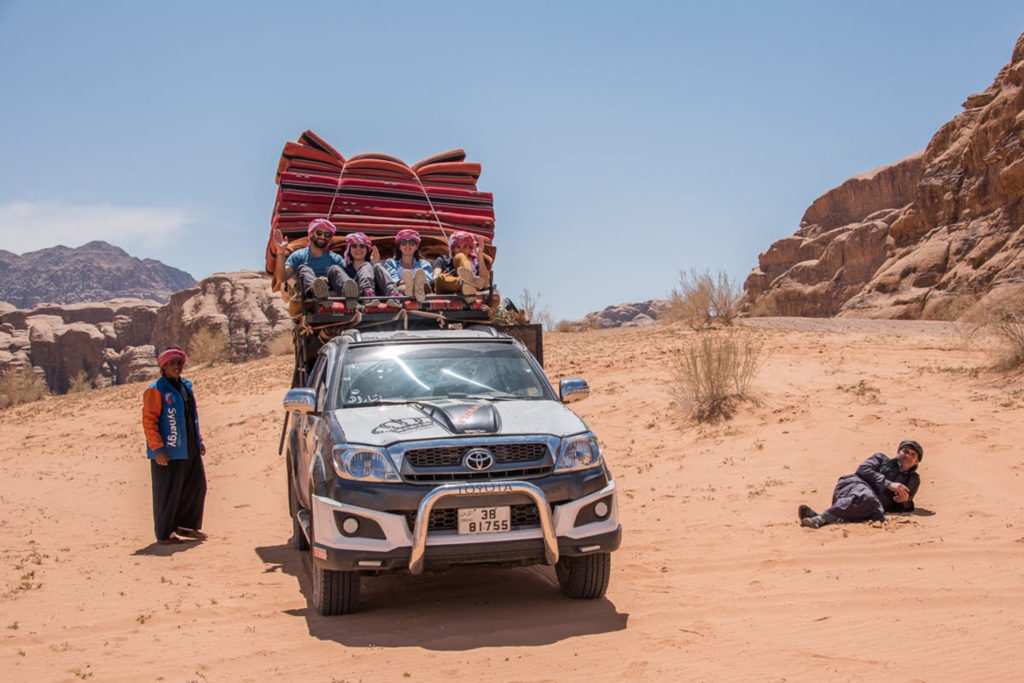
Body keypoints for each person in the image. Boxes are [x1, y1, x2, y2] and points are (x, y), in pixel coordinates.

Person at [142, 347, 208, 545]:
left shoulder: (186, 387)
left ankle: (186, 526)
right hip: (168, 451)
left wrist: (199, 440)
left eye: (179, 363)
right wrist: (157, 450)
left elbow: (190, 418)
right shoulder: (156, 390)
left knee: (196, 486)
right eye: (172, 364)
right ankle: (165, 533)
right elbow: (149, 421)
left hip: (189, 447)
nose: (177, 367)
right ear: (164, 367)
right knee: (168, 492)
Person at [799, 439, 923, 529]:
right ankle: (821, 519)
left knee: (871, 503)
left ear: (917, 461)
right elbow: (862, 470)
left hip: (868, 506)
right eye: (905, 451)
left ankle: (820, 517)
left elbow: (903, 506)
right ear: (898, 452)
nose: (908, 456)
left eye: (913, 455)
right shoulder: (880, 459)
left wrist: (905, 501)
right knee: (866, 496)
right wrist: (888, 484)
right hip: (852, 486)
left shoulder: (913, 480)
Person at [275, 219, 359, 301]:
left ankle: (348, 296)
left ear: (330, 238)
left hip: (331, 291)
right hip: (308, 295)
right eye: (319, 233)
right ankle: (316, 292)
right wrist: (280, 253)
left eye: (327, 235)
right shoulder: (298, 256)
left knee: (335, 269)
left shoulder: (336, 259)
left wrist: (326, 281)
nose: (322, 237)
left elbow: (343, 278)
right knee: (304, 269)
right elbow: (281, 278)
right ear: (311, 234)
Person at [342, 232, 401, 305]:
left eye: (362, 246)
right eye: (354, 246)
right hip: (356, 297)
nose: (358, 249)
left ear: (367, 250)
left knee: (377, 266)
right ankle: (368, 296)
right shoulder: (344, 269)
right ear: (349, 249)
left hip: (376, 299)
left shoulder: (373, 267)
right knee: (366, 265)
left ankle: (393, 295)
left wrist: (375, 263)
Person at [432, 231, 491, 296]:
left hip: (470, 293)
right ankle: (465, 283)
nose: (461, 250)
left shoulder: (475, 265)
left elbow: (486, 284)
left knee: (461, 256)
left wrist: (479, 255)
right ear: (453, 249)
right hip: (448, 288)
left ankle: (467, 282)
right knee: (440, 279)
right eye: (458, 247)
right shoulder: (443, 259)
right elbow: (435, 278)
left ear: (470, 249)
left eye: (465, 246)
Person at [382, 228, 433, 302]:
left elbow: (427, 280)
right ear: (399, 246)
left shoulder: (424, 264)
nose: (408, 245)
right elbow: (393, 279)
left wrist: (415, 284)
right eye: (403, 242)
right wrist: (404, 283)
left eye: (412, 243)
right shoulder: (391, 263)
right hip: (401, 294)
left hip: (423, 291)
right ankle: (411, 290)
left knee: (421, 285)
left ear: (416, 247)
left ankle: (415, 289)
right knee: (402, 287)